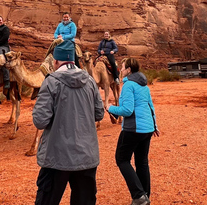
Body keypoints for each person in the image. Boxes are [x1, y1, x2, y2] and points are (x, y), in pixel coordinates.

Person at [32, 44, 105, 205]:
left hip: (56, 157)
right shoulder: (91, 82)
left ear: (56, 61)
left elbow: (40, 120)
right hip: (86, 156)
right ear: (73, 60)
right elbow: (99, 114)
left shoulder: (50, 82)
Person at [107, 58, 159, 205]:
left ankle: (139, 196)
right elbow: (151, 106)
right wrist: (154, 125)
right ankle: (145, 196)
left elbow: (127, 110)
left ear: (129, 69)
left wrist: (110, 108)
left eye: (122, 67)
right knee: (142, 162)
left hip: (133, 129)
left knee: (122, 159)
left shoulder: (128, 85)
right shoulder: (144, 86)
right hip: (147, 128)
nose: (121, 69)